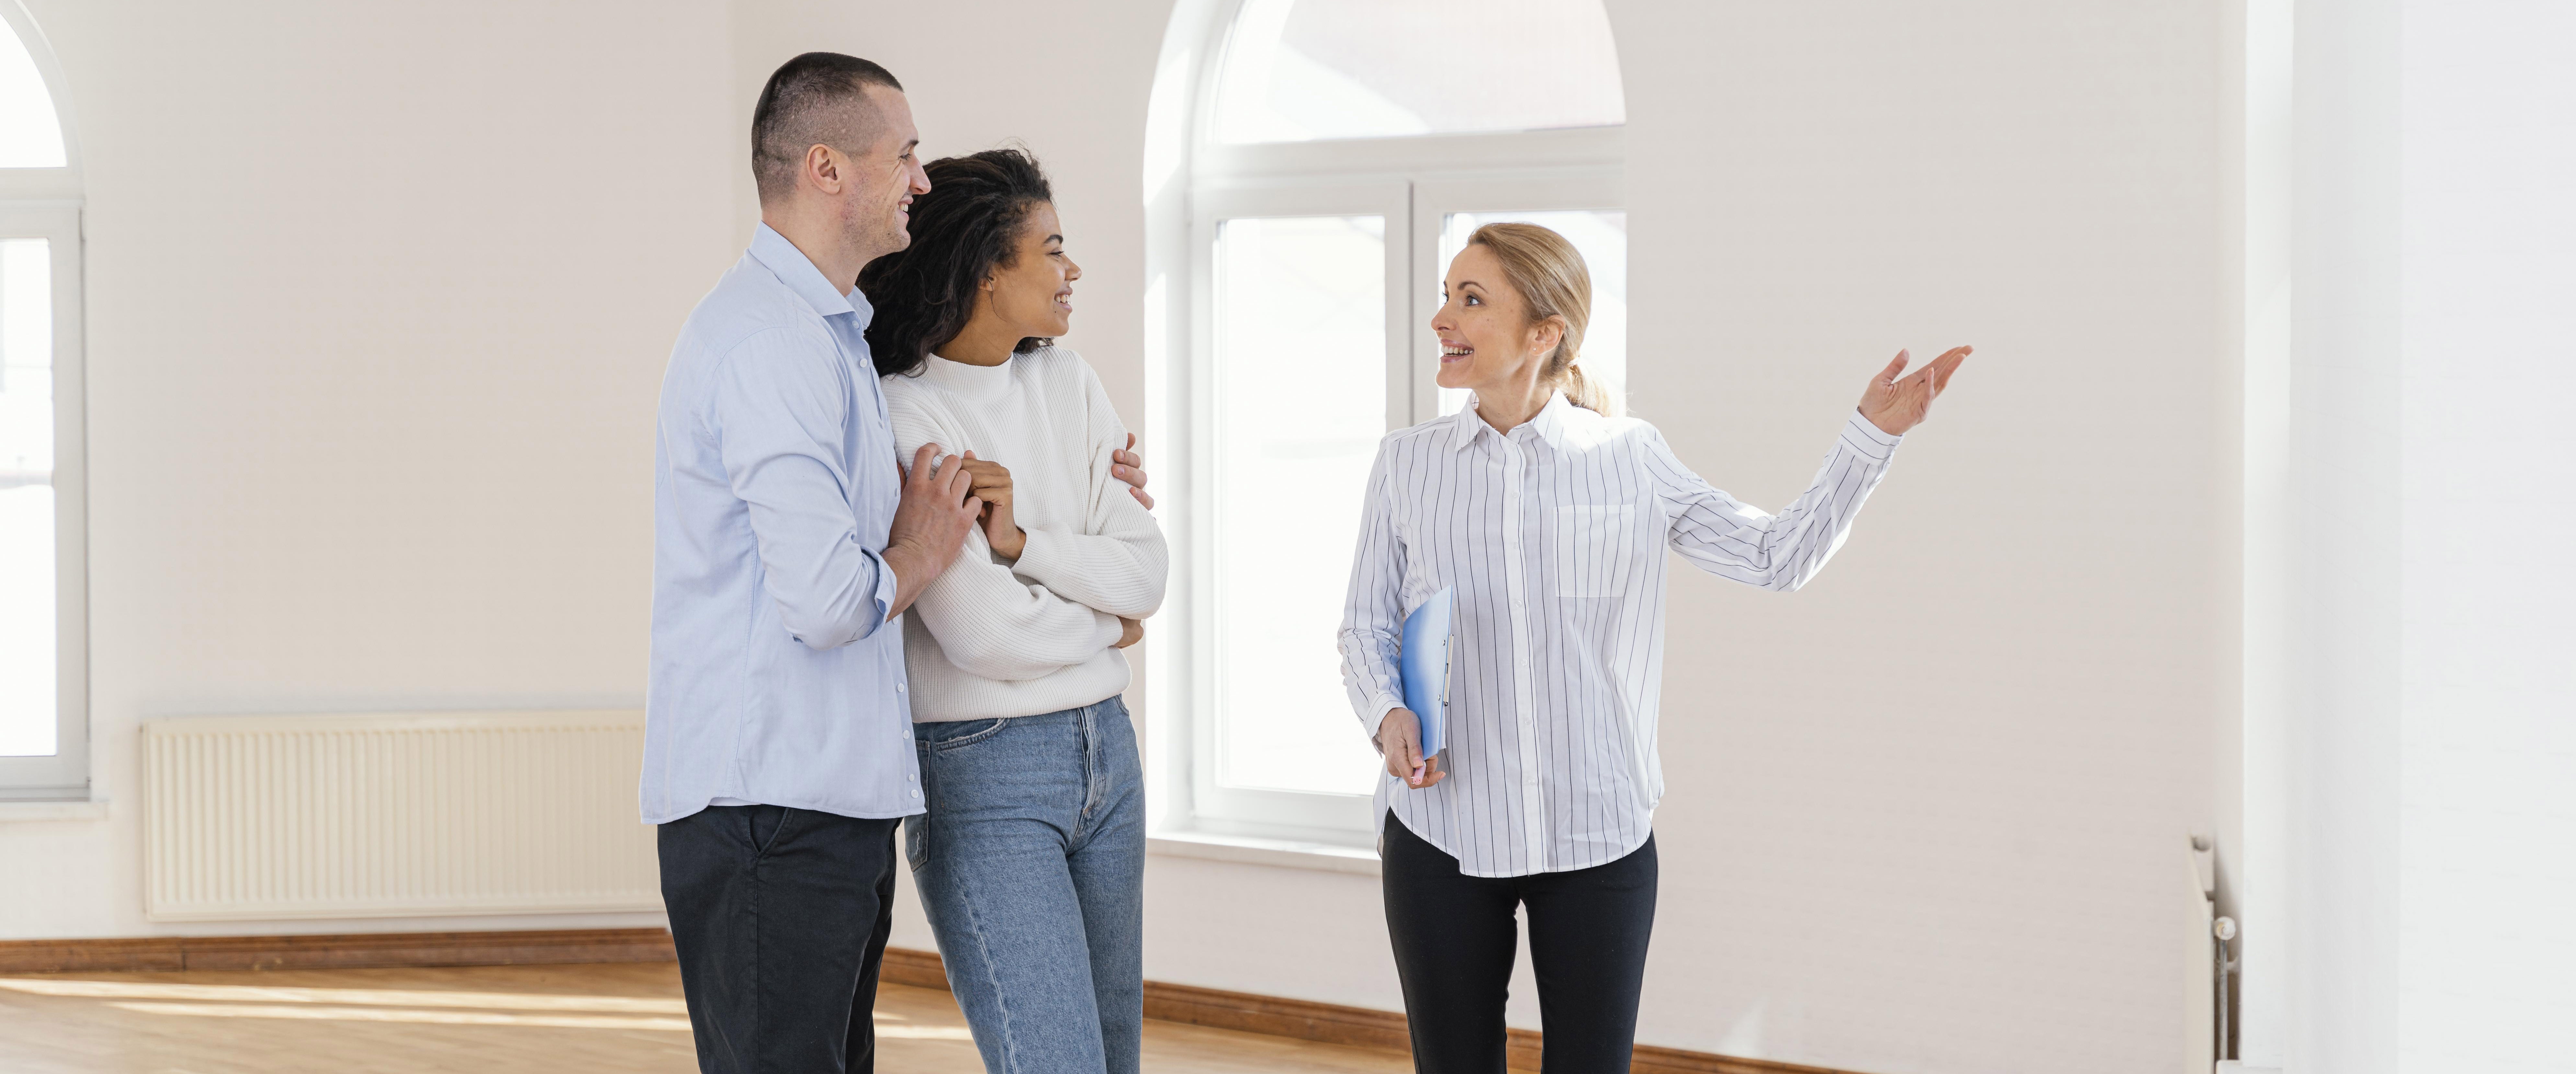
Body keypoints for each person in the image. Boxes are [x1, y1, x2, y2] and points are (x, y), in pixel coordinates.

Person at [1338, 223, 1968, 1073]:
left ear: (1545, 332)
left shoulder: (1631, 458)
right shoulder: (1407, 463)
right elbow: (1365, 625)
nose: (1441, 317)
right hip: (1442, 831)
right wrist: (1386, 713)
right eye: (1448, 294)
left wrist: (1871, 438)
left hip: (1597, 836)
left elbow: (1775, 554)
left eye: (1471, 299)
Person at [642, 56, 1147, 1074]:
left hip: (835, 796)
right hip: (765, 804)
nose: (923, 177)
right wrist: (929, 549)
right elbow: (832, 600)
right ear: (827, 169)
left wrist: (1048, 542)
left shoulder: (836, 336)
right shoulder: (769, 347)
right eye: (905, 154)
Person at [856, 148, 1164, 1074]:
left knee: (1115, 1058)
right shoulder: (908, 416)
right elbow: (982, 633)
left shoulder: (1068, 383)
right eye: (1052, 251)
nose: (1073, 273)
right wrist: (1108, 629)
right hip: (983, 772)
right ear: (988, 269)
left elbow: (1146, 571)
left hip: (1108, 751)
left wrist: (1026, 544)